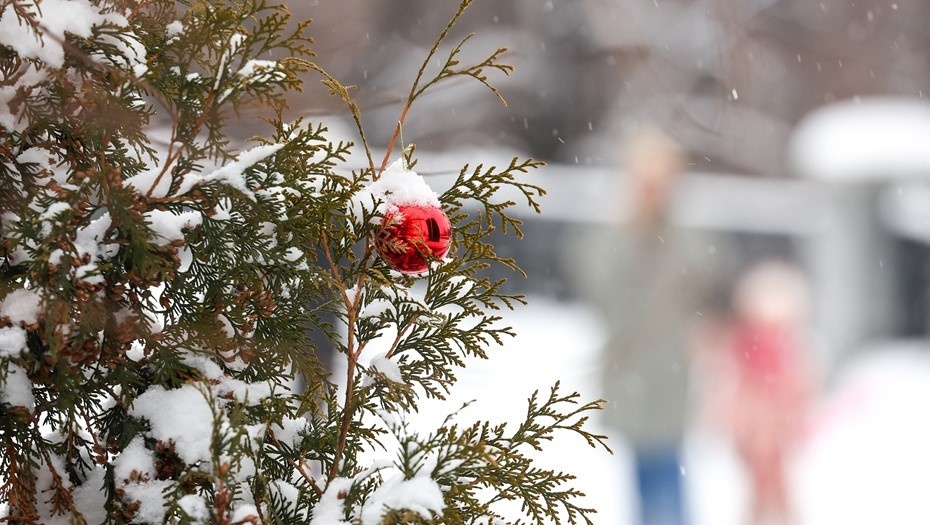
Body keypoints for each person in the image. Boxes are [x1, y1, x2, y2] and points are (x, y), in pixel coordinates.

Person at [570, 128, 726, 525]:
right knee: (643, 471)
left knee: (667, 471)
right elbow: (596, 281)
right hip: (631, 370)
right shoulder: (613, 236)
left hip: (671, 372)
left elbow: (710, 283)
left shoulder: (688, 237)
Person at [713, 261, 813, 525]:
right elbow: (731, 388)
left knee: (774, 487)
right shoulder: (744, 344)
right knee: (763, 487)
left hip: (775, 428)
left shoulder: (786, 346)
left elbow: (800, 388)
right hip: (758, 428)